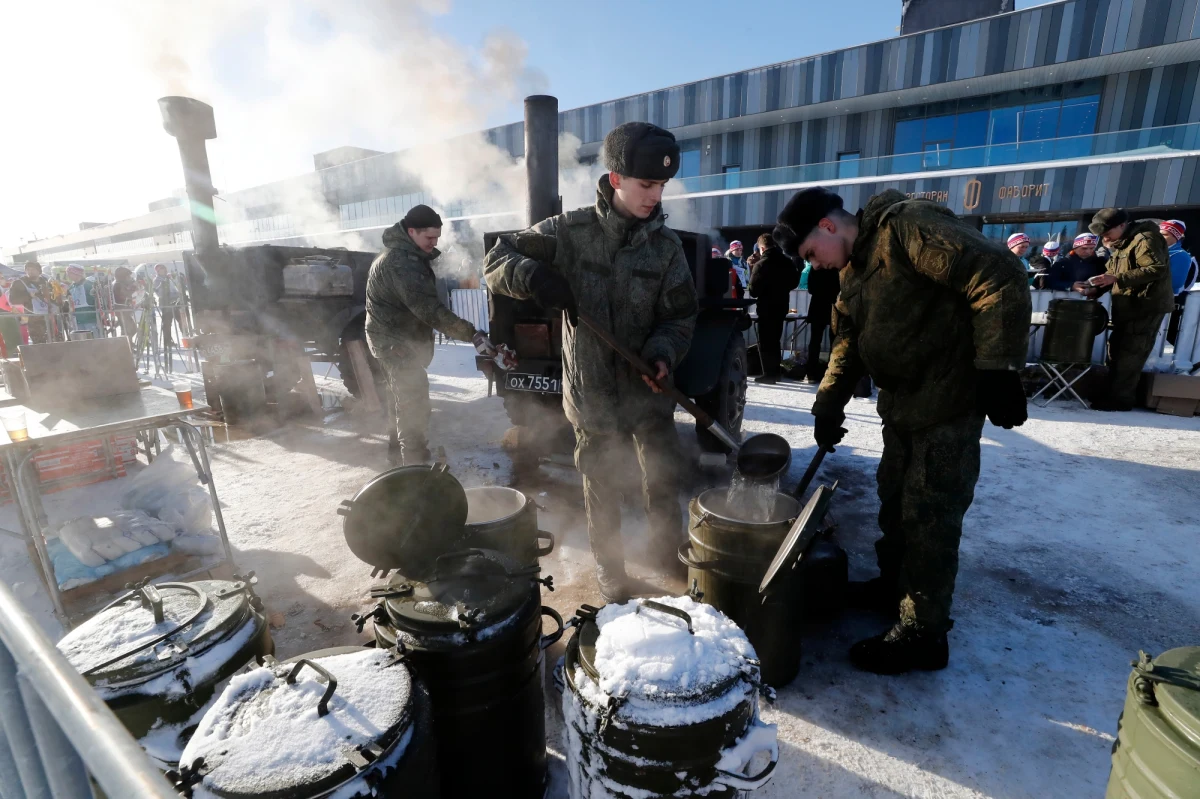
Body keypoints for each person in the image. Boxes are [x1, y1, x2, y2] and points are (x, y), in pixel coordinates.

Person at [774, 187, 1030, 674]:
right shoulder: (853, 268)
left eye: (811, 254)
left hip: (948, 402)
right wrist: (828, 403)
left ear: (827, 227)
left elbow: (997, 273)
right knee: (895, 500)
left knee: (930, 514)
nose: (816, 265)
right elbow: (848, 339)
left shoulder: (906, 228)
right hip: (904, 406)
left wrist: (998, 368)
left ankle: (924, 633)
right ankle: (895, 588)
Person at [485, 121, 697, 602]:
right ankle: (612, 571)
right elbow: (498, 259)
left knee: (660, 476)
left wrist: (664, 354)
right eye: (647, 184)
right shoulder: (570, 233)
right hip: (593, 390)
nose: (655, 196)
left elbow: (680, 316)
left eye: (662, 186)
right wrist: (534, 275)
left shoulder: (666, 249)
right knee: (601, 485)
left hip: (649, 389)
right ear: (616, 178)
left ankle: (667, 554)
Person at [366, 204, 498, 466]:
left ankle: (398, 459)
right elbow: (429, 310)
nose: (434, 243)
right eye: (429, 238)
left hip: (392, 338)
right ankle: (414, 468)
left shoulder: (405, 255)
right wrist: (472, 334)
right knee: (413, 400)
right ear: (411, 231)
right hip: (393, 342)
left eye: (437, 238)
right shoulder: (400, 263)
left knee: (400, 398)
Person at [1084, 208, 1174, 411]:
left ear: (1121, 225)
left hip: (1145, 306)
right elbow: (1114, 272)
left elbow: (1155, 269)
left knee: (1131, 353)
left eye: (1106, 233)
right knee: (1117, 350)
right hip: (1129, 305)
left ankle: (1121, 400)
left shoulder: (1145, 239)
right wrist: (1095, 289)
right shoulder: (1123, 242)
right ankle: (1112, 394)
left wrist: (1116, 278)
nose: (1104, 238)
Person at [748, 232, 800, 384]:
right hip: (781, 305)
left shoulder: (761, 265)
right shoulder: (786, 261)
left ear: (761, 248)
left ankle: (769, 374)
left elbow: (753, 291)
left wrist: (753, 269)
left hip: (766, 307)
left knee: (766, 342)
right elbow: (794, 282)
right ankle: (775, 372)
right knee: (775, 340)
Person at [1161, 220, 1198, 345]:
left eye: (1165, 234)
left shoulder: (1181, 255)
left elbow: (1175, 284)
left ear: (1176, 236)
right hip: (1154, 303)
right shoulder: (1156, 252)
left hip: (1167, 304)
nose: (1160, 237)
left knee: (1163, 341)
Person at [9, 261, 54, 344]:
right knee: (39, 344)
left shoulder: (45, 282)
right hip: (34, 319)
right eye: (28, 269)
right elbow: (13, 300)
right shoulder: (19, 283)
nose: (30, 271)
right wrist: (28, 296)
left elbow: (54, 298)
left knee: (53, 342)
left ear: (39, 271)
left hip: (49, 317)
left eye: (33, 269)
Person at [66, 264, 100, 338]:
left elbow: (96, 300)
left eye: (69, 273)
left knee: (93, 339)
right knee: (81, 341)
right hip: (77, 319)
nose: (67, 275)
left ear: (76, 273)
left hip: (90, 318)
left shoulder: (88, 284)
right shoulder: (71, 287)